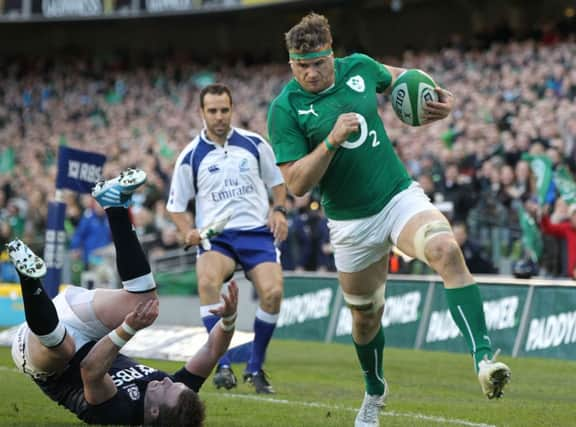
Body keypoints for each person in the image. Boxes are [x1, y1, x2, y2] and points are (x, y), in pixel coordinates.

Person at [267, 13, 511, 427]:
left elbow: (402, 78)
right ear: (291, 64)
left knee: (445, 248)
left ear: (332, 54)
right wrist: (330, 141)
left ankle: (484, 360)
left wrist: (436, 96)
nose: (310, 73)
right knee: (364, 318)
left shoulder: (360, 68)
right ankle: (375, 391)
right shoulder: (285, 109)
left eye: (318, 63)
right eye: (301, 65)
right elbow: (296, 184)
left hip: (396, 197)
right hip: (349, 224)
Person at [8, 168, 238, 426]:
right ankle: (114, 203)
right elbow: (212, 349)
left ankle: (29, 280)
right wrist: (229, 320)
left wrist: (128, 327)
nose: (165, 380)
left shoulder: (119, 413)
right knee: (145, 302)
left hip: (42, 352)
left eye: (165, 388)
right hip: (86, 330)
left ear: (153, 413)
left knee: (64, 349)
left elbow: (90, 370)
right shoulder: (178, 396)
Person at [167, 83, 288, 394]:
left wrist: (279, 210)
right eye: (213, 111)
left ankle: (255, 367)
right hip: (217, 239)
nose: (219, 116)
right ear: (202, 113)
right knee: (207, 281)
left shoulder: (255, 144)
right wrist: (187, 232)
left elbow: (277, 183)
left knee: (273, 293)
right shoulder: (191, 156)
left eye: (224, 110)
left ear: (232, 110)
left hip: (256, 234)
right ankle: (220, 364)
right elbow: (176, 207)